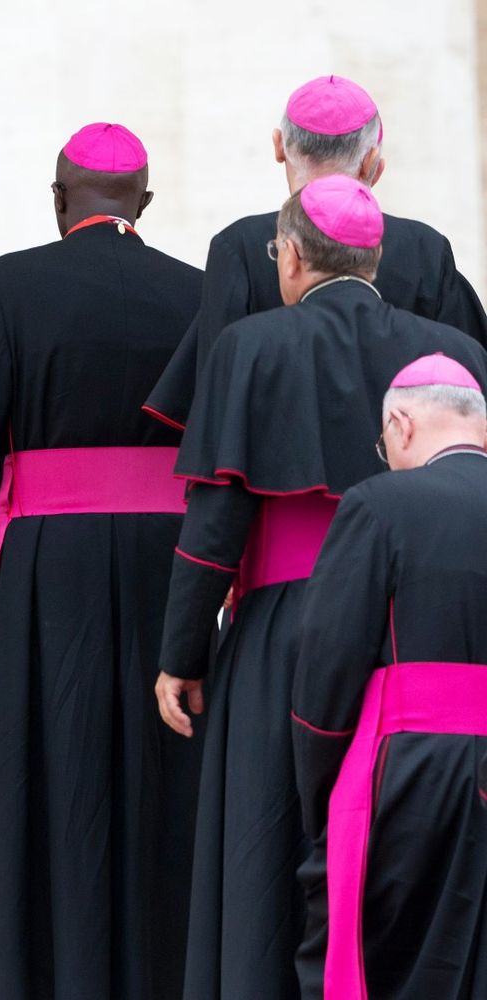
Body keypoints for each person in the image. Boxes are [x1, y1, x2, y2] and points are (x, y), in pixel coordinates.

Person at [153, 178, 487, 1000]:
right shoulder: (453, 352)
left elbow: (216, 522)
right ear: (374, 257)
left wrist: (182, 655)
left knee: (268, 849)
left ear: (293, 257)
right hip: (420, 640)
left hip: (284, 634)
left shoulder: (247, 347)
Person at [0, 123, 203, 999]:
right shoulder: (199, 293)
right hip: (173, 565)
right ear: (146, 203)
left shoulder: (5, 286)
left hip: (46, 569)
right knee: (166, 778)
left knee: (55, 778)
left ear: (58, 200)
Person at [292, 354, 487, 1000]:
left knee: (394, 968)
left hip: (409, 774)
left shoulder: (379, 504)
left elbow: (327, 666)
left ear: (401, 424)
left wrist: (318, 791)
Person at [144, 74, 487, 433]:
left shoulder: (239, 246)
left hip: (282, 463)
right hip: (403, 461)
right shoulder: (425, 248)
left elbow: (219, 399)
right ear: (371, 162)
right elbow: (466, 390)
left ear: (279, 146)